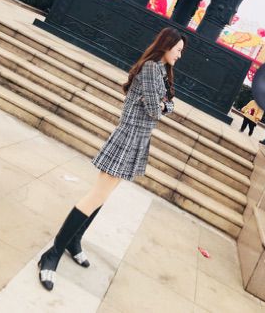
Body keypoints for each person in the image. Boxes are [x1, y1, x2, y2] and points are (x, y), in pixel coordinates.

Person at [37, 27, 186, 291]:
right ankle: (52, 254)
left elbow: (165, 104)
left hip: (138, 138)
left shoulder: (161, 71)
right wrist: (165, 106)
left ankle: (74, 241)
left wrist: (165, 105)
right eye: (178, 50)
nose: (180, 55)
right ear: (166, 46)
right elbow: (155, 109)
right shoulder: (151, 68)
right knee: (96, 194)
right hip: (128, 136)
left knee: (103, 195)